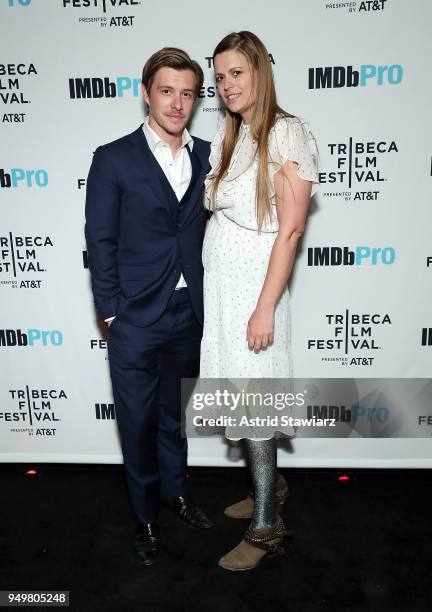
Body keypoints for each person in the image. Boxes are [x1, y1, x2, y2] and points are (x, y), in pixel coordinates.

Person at [85, 47, 212, 567]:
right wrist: (111, 313)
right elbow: (100, 239)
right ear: (146, 93)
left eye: (187, 93)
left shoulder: (210, 153)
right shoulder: (113, 157)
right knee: (136, 421)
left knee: (174, 417)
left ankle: (175, 492)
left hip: (189, 311)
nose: (177, 103)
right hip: (134, 317)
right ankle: (144, 517)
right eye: (167, 90)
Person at [201, 31, 319, 571]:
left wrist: (265, 306)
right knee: (241, 395)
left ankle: (268, 523)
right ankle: (267, 485)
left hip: (256, 292)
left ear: (260, 73)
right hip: (227, 292)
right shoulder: (237, 136)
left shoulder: (286, 133)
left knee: (257, 396)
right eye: (220, 76)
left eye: (237, 73)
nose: (226, 84)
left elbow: (290, 231)